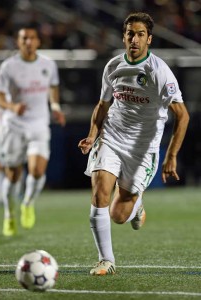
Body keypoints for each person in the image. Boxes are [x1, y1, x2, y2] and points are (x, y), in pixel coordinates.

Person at [78, 12, 189, 275]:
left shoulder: (159, 72)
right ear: (124, 36)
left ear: (149, 39)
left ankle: (136, 206)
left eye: (140, 34)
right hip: (112, 137)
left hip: (143, 148)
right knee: (99, 192)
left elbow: (182, 115)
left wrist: (171, 155)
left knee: (118, 215)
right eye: (130, 33)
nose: (134, 39)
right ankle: (106, 260)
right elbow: (103, 104)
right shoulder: (113, 66)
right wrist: (93, 134)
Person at [0, 26, 66, 237]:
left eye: (32, 38)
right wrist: (12, 106)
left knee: (37, 170)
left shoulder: (48, 64)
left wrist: (55, 107)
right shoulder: (9, 67)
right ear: (18, 42)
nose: (28, 42)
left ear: (38, 42)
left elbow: (53, 87)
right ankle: (9, 213)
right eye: (24, 38)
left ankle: (27, 203)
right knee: (14, 175)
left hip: (38, 124)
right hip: (14, 125)